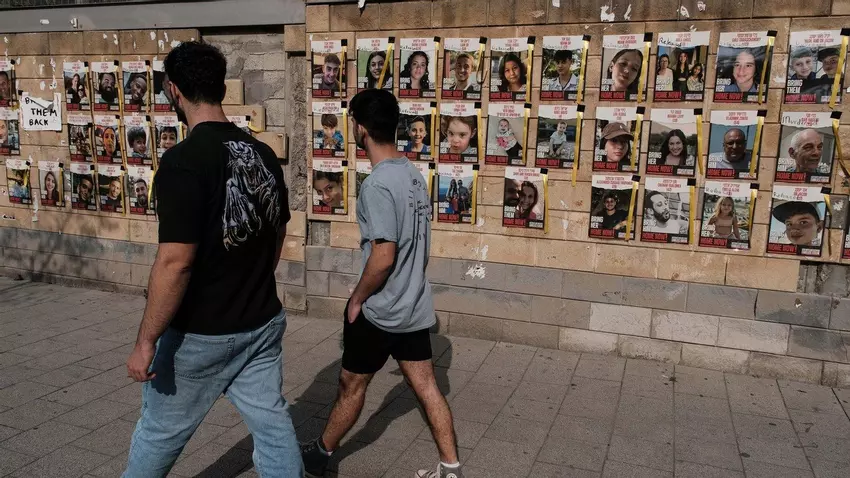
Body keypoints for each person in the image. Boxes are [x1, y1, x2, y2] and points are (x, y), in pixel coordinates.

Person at [122, 41, 300, 477]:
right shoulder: (263, 154)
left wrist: (146, 341)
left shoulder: (182, 162)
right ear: (221, 87)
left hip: (200, 336)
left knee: (160, 434)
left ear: (173, 89)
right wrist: (249, 281)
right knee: (273, 427)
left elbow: (175, 263)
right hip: (260, 323)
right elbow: (277, 232)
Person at [300, 88, 464, 478]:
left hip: (381, 310)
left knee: (351, 385)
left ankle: (318, 456)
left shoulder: (376, 184)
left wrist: (357, 299)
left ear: (359, 128)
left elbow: (384, 255)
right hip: (413, 306)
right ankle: (451, 468)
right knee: (427, 387)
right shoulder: (413, 175)